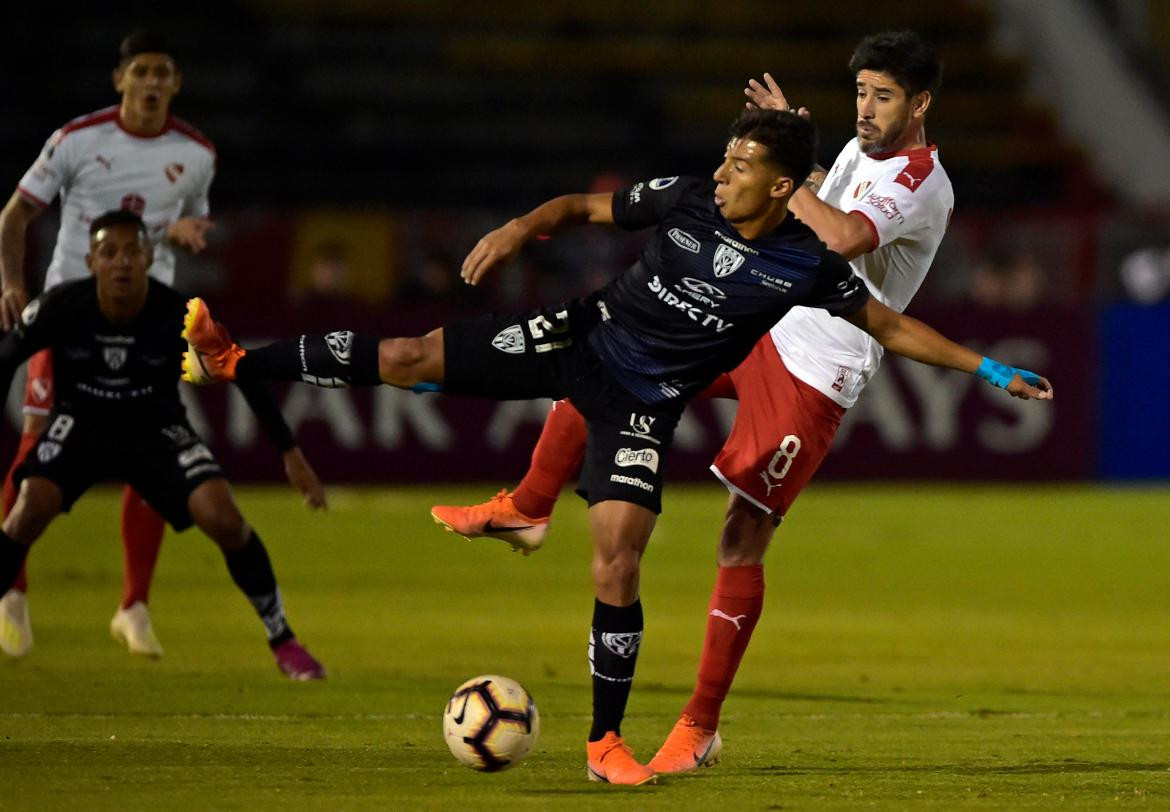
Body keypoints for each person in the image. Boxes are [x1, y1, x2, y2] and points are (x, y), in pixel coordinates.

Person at [180, 107, 1051, 783]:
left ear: (783, 189)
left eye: (742, 166)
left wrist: (988, 371)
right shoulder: (688, 196)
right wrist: (523, 226)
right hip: (579, 340)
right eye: (727, 158)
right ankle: (232, 359)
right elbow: (584, 207)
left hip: (643, 402)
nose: (724, 173)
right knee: (410, 357)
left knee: (617, 563)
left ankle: (603, 742)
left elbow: (892, 328)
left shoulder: (805, 267)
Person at [429, 30, 957, 773]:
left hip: (817, 368)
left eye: (884, 97)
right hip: (761, 326)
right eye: (862, 93)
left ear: (920, 103)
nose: (866, 110)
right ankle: (529, 504)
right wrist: (797, 156)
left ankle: (700, 724)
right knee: (616, 362)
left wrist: (788, 163)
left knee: (741, 538)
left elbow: (838, 237)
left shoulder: (922, 181)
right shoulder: (852, 153)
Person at [0, 30, 325, 659]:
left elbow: (189, 228)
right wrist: (12, 284)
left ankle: (134, 604)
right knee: (36, 453)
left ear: (175, 84)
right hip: (71, 317)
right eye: (140, 72)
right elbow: (15, 214)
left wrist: (186, 233)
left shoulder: (197, 152)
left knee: (147, 454)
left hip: (154, 319)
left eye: (162, 73)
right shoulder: (76, 140)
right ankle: (13, 591)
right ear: (120, 79)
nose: (151, 83)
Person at [0, 210, 325, 679]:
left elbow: (242, 370)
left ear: (150, 257)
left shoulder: (182, 312)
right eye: (109, 252)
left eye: (132, 251)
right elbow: (5, 359)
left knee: (223, 517)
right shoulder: (59, 307)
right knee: (28, 508)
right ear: (91, 261)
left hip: (154, 428)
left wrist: (288, 450)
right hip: (80, 425)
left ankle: (283, 639)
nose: (121, 262)